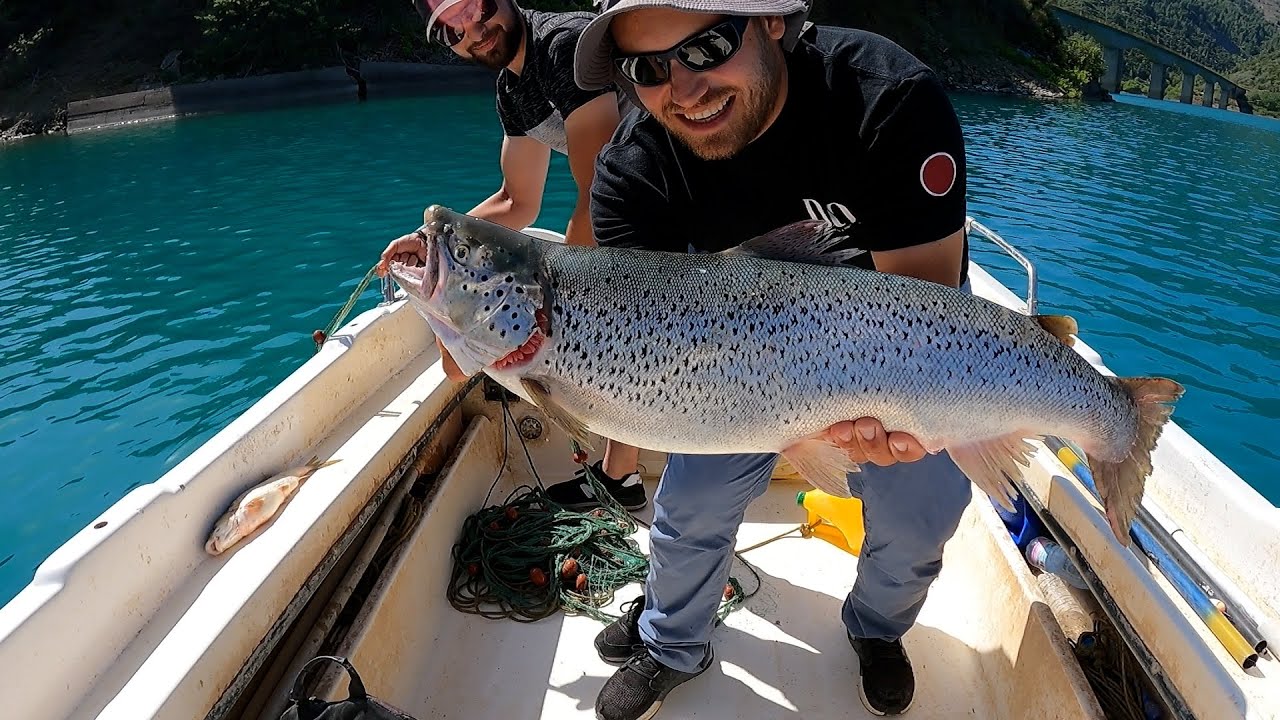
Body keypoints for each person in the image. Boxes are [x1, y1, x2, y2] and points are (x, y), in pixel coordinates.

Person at [570, 1, 974, 718]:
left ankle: (876, 629)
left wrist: (842, 421)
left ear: (775, 21)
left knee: (926, 508)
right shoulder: (633, 175)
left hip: (899, 335)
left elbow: (926, 318)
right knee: (689, 502)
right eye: (647, 69)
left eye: (708, 46)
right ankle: (670, 640)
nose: (684, 90)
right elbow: (650, 347)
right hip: (728, 350)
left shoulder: (887, 101)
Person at [392, 0, 654, 512]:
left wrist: (558, 308)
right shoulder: (513, 88)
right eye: (451, 28)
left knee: (592, 330)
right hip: (637, 209)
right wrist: (430, 246)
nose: (473, 30)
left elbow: (598, 191)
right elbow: (517, 200)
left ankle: (627, 469)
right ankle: (619, 476)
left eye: (473, 6)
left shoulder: (563, 49)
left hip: (683, 197)